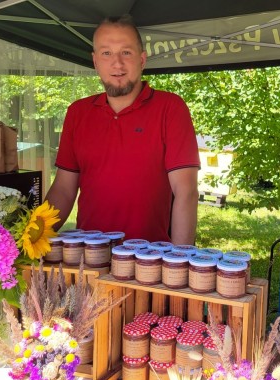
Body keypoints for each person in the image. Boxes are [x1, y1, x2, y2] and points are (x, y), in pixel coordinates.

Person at [45, 15, 200, 244]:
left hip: (149, 258)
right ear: (95, 61)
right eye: (106, 53)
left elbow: (186, 192)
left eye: (126, 52)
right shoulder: (78, 112)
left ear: (142, 59)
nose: (117, 64)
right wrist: (29, 239)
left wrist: (180, 260)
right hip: (89, 258)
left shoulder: (170, 108)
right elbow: (64, 190)